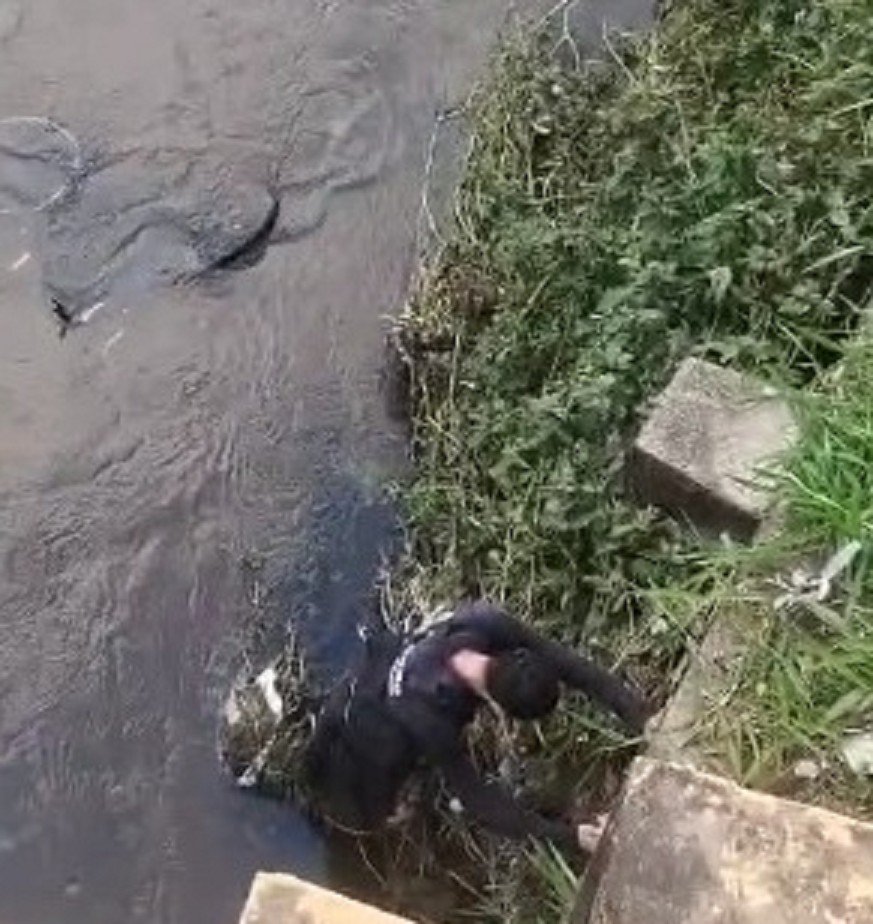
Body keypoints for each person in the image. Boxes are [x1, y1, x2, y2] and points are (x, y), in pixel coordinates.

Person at [303, 601, 648, 852]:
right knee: (368, 812)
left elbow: (568, 665)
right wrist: (569, 837)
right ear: (497, 707)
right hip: (364, 721)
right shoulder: (431, 721)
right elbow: (483, 804)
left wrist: (640, 716)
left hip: (394, 672)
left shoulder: (484, 623)